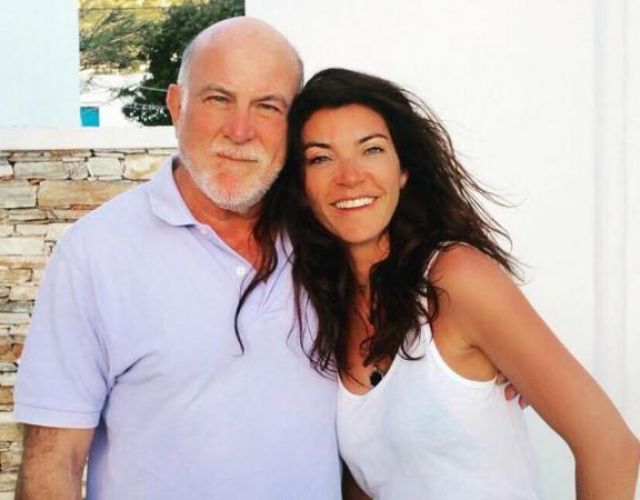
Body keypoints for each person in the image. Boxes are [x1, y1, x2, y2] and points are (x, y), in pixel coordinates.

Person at [12, 18, 343, 500]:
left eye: (268, 106)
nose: (240, 131)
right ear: (176, 105)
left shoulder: (330, 240)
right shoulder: (95, 255)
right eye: (218, 99)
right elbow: (54, 465)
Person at [278, 68, 640, 499]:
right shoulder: (321, 312)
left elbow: (611, 447)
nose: (350, 176)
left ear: (403, 171)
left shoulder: (455, 278)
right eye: (321, 158)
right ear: (301, 186)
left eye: (371, 149)